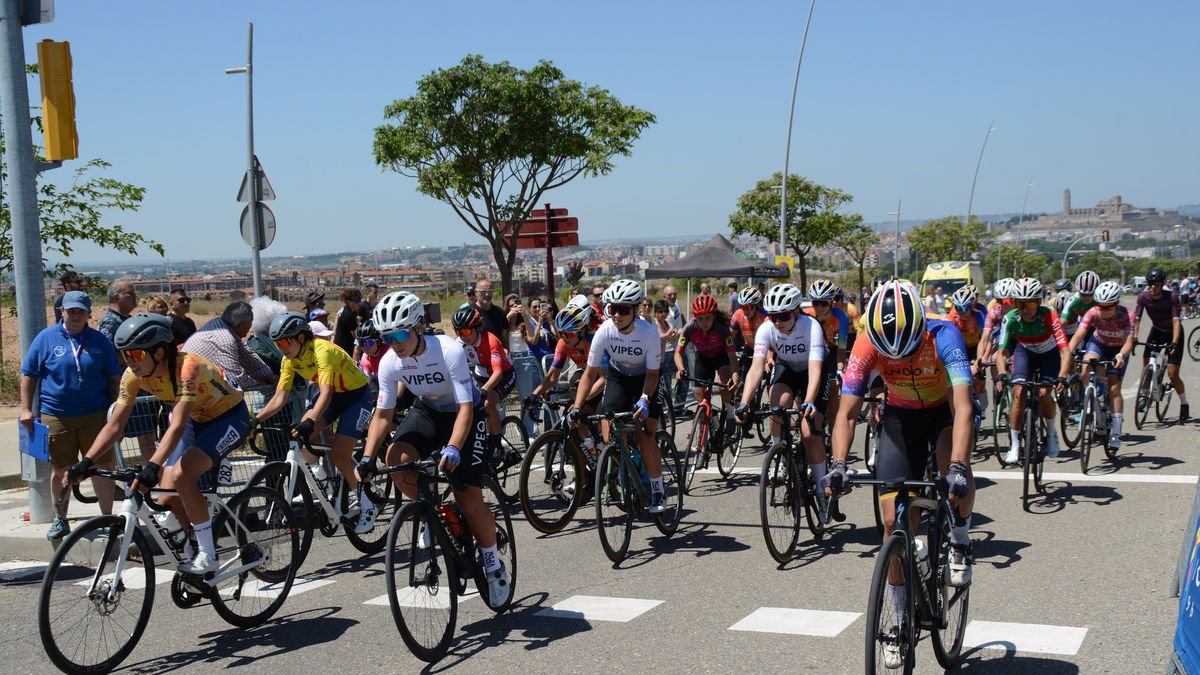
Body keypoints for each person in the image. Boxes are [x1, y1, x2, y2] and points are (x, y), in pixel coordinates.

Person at [829, 281, 977, 669]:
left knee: (953, 470)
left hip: (943, 411)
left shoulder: (945, 334)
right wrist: (840, 464)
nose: (900, 355)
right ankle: (897, 622)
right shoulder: (867, 343)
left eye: (908, 348)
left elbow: (963, 409)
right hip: (900, 417)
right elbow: (846, 413)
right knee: (894, 522)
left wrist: (959, 468)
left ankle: (960, 537)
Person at [352, 291, 511, 603]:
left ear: (418, 327)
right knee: (395, 457)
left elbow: (466, 409)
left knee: (469, 497)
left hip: (466, 413)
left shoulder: (449, 350)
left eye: (400, 334)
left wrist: (453, 447)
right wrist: (368, 457)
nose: (395, 343)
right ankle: (433, 511)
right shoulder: (389, 363)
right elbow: (383, 414)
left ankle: (492, 565)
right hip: (429, 411)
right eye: (388, 336)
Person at [65, 314, 250, 574]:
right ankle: (191, 547)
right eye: (125, 356)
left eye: (137, 355)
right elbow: (115, 424)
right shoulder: (133, 375)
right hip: (195, 420)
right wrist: (86, 461)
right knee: (165, 496)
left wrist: (152, 465)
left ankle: (209, 554)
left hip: (229, 417)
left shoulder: (188, 368)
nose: (130, 362)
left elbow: (175, 426)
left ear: (160, 352)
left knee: (182, 475)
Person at [252, 311, 376, 529]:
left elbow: (326, 393)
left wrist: (312, 420)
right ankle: (322, 480)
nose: (280, 348)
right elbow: (280, 397)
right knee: (301, 430)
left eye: (283, 342)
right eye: (277, 344)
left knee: (339, 453)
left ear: (300, 337)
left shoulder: (322, 351)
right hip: (335, 396)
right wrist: (255, 420)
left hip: (355, 396)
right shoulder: (289, 359)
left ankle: (367, 502)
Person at [21, 290, 123, 540]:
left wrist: (117, 411)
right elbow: (28, 374)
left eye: (80, 311)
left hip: (95, 415)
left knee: (101, 467)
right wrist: (26, 409)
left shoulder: (99, 341)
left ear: (89, 313)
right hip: (56, 414)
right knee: (61, 470)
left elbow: (114, 378)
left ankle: (107, 518)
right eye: (71, 311)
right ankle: (60, 518)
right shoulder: (45, 338)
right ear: (62, 312)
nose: (75, 316)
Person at [568, 279, 669, 512]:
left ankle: (657, 490)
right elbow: (590, 374)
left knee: (646, 435)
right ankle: (623, 468)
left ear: (635, 311)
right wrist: (577, 406)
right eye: (612, 309)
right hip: (619, 377)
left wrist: (645, 399)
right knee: (609, 430)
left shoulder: (649, 333)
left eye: (623, 310)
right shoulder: (605, 330)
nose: (617, 315)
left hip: (647, 378)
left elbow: (653, 374)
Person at [734, 283, 828, 515]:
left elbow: (815, 369)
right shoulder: (766, 328)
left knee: (809, 432)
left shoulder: (811, 326)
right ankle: (780, 456)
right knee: (776, 407)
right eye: (773, 316)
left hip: (812, 371)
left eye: (784, 316)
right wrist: (744, 402)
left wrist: (808, 402)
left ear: (796, 311)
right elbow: (756, 368)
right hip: (787, 369)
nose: (778, 321)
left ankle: (821, 487)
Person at [994, 277, 1070, 464]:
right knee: (1018, 392)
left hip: (1048, 354)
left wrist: (1062, 376)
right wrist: (1002, 374)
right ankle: (1014, 445)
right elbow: (1001, 352)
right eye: (1021, 305)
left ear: (1038, 303)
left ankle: (1052, 434)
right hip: (1025, 352)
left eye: (1030, 304)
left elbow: (1065, 350)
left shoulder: (1050, 315)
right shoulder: (1010, 319)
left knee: (1044, 393)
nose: (1026, 309)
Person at [1068, 281, 1134, 449]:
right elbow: (1078, 335)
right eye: (1101, 306)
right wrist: (1067, 352)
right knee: (1085, 370)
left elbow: (1129, 342)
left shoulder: (1127, 315)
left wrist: (1121, 355)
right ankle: (1091, 401)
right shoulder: (1093, 312)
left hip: (1118, 349)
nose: (1103, 310)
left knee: (1114, 388)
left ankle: (1116, 432)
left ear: (1117, 304)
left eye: (1108, 307)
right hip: (1098, 344)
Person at [532, 304, 603, 453]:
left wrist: (579, 402)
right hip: (587, 375)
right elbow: (552, 377)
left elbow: (604, 379)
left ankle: (611, 453)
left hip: (605, 377)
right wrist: (534, 395)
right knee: (579, 421)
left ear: (582, 331)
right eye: (561, 333)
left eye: (569, 334)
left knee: (605, 415)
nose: (564, 337)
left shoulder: (594, 341)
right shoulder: (563, 344)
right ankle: (592, 454)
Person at [674, 294, 740, 448]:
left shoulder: (722, 329)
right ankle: (708, 420)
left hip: (721, 356)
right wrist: (681, 369)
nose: (704, 323)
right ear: (694, 317)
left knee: (723, 382)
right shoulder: (689, 327)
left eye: (707, 318)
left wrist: (735, 374)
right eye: (700, 318)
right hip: (702, 358)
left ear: (714, 316)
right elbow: (678, 352)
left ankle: (730, 413)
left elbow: (731, 355)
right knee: (699, 394)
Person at [452, 305, 515, 458]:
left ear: (477, 328)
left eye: (467, 331)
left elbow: (498, 373)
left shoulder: (491, 340)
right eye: (459, 332)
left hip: (504, 374)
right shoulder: (460, 343)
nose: (463, 336)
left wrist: (484, 390)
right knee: (462, 403)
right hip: (482, 373)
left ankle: (497, 444)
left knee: (487, 402)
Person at [182, 301, 276, 393]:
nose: (250, 326)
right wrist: (264, 385)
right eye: (250, 323)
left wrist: (271, 376)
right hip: (191, 387)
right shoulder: (225, 340)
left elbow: (247, 355)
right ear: (240, 324)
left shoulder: (221, 324)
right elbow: (236, 380)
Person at [1133, 267, 1188, 420]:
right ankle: (1144, 395)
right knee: (1147, 365)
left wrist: (1175, 343)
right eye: (1150, 284)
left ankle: (1184, 403)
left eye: (1156, 284)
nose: (1152, 287)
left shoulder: (1172, 298)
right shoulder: (1143, 297)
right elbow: (1137, 320)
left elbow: (1176, 322)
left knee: (1172, 373)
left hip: (1173, 332)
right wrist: (1135, 338)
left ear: (1162, 284)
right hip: (1156, 330)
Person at [802, 279, 849, 433]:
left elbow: (841, 349)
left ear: (831, 302)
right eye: (816, 303)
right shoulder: (806, 314)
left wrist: (840, 369)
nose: (819, 307)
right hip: (811, 354)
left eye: (824, 303)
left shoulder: (841, 317)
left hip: (831, 354)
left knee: (833, 394)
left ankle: (835, 432)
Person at [946, 285, 989, 414]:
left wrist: (981, 358)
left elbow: (985, 339)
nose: (962, 311)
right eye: (958, 308)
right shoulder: (951, 318)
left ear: (972, 306)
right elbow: (948, 341)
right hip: (960, 348)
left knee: (978, 377)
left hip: (976, 347)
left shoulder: (979, 315)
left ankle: (982, 401)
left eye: (965, 308)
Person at [506, 297, 542, 435]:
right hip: (508, 360)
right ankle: (503, 432)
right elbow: (498, 331)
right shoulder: (504, 321)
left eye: (517, 304)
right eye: (511, 305)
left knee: (526, 398)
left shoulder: (523, 323)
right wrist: (509, 315)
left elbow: (532, 339)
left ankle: (528, 432)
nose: (515, 307)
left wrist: (525, 316)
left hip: (524, 359)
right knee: (503, 400)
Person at [662, 284, 688, 411]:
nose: (672, 296)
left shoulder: (676, 303)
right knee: (666, 383)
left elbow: (681, 317)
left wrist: (686, 327)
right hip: (667, 351)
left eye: (674, 294)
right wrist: (678, 331)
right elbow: (668, 332)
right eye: (669, 295)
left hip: (680, 348)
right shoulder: (664, 312)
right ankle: (667, 410)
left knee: (685, 376)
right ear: (664, 297)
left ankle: (679, 407)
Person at [98, 279, 137, 344]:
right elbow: (105, 350)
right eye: (130, 293)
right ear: (116, 297)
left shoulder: (127, 319)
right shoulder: (111, 322)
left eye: (134, 293)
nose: (135, 296)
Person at [473, 279, 508, 343]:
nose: (487, 294)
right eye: (483, 291)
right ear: (476, 292)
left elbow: (504, 337)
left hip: (497, 351)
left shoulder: (500, 312)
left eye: (490, 291)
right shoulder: (470, 312)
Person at [333, 288, 363, 355]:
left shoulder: (351, 310)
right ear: (349, 302)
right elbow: (355, 336)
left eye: (359, 299)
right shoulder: (348, 315)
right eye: (357, 300)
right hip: (344, 348)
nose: (359, 303)